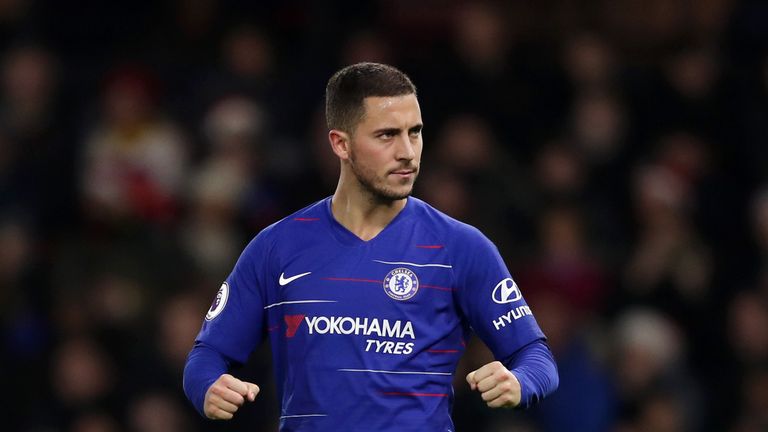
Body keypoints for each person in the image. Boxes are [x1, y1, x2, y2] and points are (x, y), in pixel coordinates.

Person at [183, 62, 559, 431]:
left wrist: (520, 382)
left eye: (415, 132)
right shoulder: (276, 247)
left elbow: (535, 356)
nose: (408, 152)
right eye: (387, 135)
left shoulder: (461, 247)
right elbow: (208, 355)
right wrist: (208, 387)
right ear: (340, 144)